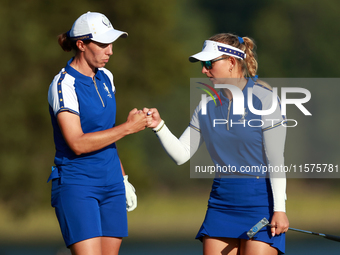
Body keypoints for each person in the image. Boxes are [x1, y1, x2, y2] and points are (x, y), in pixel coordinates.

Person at [145, 33, 289, 255]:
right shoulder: (206, 105)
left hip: (261, 203)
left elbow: (276, 159)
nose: (204, 70)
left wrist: (280, 210)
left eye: (209, 63)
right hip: (222, 203)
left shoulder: (265, 99)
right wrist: (159, 126)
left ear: (231, 62)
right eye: (203, 64)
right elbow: (182, 154)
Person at [47, 12, 150, 255]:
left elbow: (106, 135)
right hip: (78, 184)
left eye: (111, 43)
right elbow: (77, 143)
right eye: (102, 44)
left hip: (111, 181)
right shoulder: (63, 84)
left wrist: (123, 179)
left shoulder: (106, 78)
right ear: (81, 45)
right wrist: (128, 128)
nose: (110, 50)